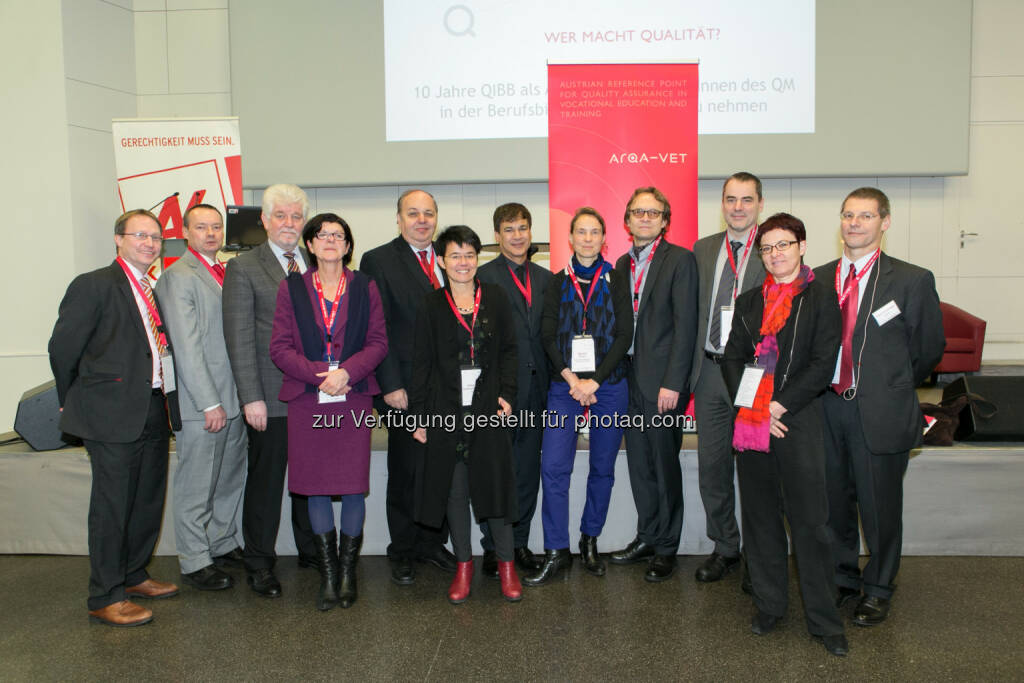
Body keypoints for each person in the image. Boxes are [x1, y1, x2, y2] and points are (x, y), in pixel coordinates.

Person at [814, 187, 945, 627]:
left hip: (880, 411)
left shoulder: (911, 280)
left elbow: (928, 349)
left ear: (884, 222)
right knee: (834, 504)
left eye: (865, 216)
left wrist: (887, 384)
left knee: (880, 507)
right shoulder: (818, 278)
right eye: (848, 215)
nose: (854, 223)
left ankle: (879, 587)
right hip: (827, 409)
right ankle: (843, 577)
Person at [722, 213, 848, 657]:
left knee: (811, 526)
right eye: (768, 248)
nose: (775, 254)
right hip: (752, 426)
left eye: (784, 245)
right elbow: (732, 359)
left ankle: (824, 621)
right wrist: (752, 408)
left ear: (801, 246)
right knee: (759, 521)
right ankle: (770, 606)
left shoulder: (821, 297)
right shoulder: (749, 301)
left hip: (798, 420)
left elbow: (821, 362)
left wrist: (777, 405)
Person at [49, 209, 182, 626]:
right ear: (118, 240)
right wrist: (73, 398)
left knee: (146, 499)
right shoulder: (93, 285)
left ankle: (133, 575)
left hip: (153, 406)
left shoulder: (152, 288)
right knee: (112, 505)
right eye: (139, 235)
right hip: (109, 413)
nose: (149, 243)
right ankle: (105, 595)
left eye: (155, 237)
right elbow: (63, 348)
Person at [270, 213, 388, 610]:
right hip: (309, 397)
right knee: (316, 485)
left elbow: (377, 343)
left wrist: (347, 373)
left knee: (353, 484)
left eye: (338, 236)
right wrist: (321, 375)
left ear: (349, 246)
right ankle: (329, 575)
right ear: (310, 244)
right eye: (322, 235)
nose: (330, 241)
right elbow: (280, 347)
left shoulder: (366, 287)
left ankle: (349, 572)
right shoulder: (292, 289)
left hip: (352, 396)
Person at [408, 225, 521, 604]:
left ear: (477, 260)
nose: (463, 262)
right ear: (441, 261)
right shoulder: (430, 304)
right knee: (455, 492)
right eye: (455, 255)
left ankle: (507, 566)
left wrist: (507, 395)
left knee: (495, 488)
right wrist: (420, 416)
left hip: (489, 407)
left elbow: (509, 350)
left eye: (470, 255)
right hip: (445, 410)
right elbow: (420, 363)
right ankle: (463, 566)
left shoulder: (497, 297)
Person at [524, 207, 632, 586]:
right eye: (580, 232)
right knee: (554, 467)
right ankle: (556, 550)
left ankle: (589, 539)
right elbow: (548, 336)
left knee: (603, 468)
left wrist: (595, 382)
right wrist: (572, 379)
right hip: (564, 388)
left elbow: (624, 337)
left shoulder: (617, 279)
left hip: (609, 386)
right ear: (570, 238)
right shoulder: (556, 283)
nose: (587, 238)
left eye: (594, 232)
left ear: (604, 239)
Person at [222, 183, 318, 598]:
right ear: (263, 220)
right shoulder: (244, 269)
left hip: (314, 394)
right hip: (271, 397)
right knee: (266, 482)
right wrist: (251, 397)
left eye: (296, 216)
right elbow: (239, 338)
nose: (289, 224)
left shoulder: (317, 263)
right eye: (281, 215)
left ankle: (310, 549)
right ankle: (259, 561)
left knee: (309, 476)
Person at [360, 189, 457, 585]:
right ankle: (402, 549)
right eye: (413, 213)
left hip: (447, 388)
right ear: (398, 219)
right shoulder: (379, 260)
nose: (422, 220)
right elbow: (375, 328)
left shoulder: (451, 258)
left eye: (429, 213)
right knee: (405, 471)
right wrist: (389, 385)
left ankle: (432, 543)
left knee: (442, 469)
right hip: (402, 387)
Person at [155, 204, 246, 591]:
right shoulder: (179, 277)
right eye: (201, 227)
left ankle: (222, 542)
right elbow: (188, 347)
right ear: (186, 233)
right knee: (197, 485)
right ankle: (195, 560)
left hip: (236, 397)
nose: (210, 233)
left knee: (228, 479)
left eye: (216, 226)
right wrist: (209, 402)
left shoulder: (225, 270)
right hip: (203, 403)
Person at [610, 187, 698, 582]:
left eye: (653, 212)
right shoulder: (620, 265)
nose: (645, 218)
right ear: (627, 220)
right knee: (639, 464)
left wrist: (674, 382)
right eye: (638, 212)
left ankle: (666, 547)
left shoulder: (680, 261)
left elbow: (686, 327)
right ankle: (647, 535)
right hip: (627, 379)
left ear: (665, 220)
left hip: (662, 384)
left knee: (663, 464)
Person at [690, 172, 766, 584]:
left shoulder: (773, 249)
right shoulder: (703, 250)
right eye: (731, 199)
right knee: (712, 467)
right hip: (708, 373)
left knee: (755, 470)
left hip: (753, 376)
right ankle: (725, 547)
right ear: (722, 203)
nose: (738, 207)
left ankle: (760, 555)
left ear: (759, 204)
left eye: (746, 200)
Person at [475, 202, 550, 577]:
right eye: (509, 230)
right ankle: (492, 546)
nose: (517, 236)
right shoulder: (482, 278)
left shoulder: (547, 278)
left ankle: (519, 542)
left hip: (537, 391)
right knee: (494, 470)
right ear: (497, 236)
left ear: (530, 231)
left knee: (526, 471)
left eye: (522, 228)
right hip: (497, 393)